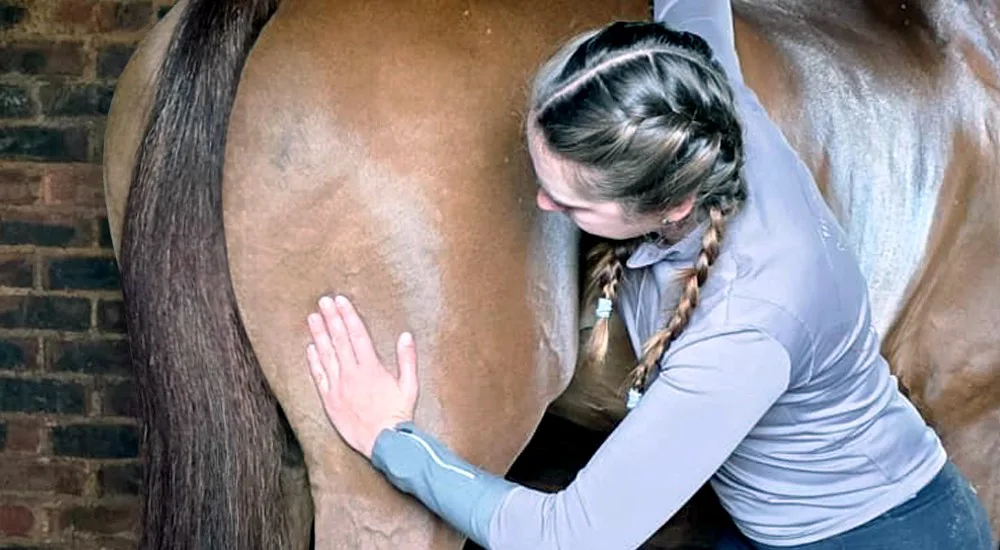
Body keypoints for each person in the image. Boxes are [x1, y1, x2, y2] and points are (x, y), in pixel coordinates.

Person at [302, 1, 995, 548]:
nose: (543, 205)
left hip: (872, 537)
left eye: (571, 202)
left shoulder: (746, 320)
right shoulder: (704, 98)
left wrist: (393, 441)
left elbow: (574, 536)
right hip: (765, 519)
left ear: (669, 206)